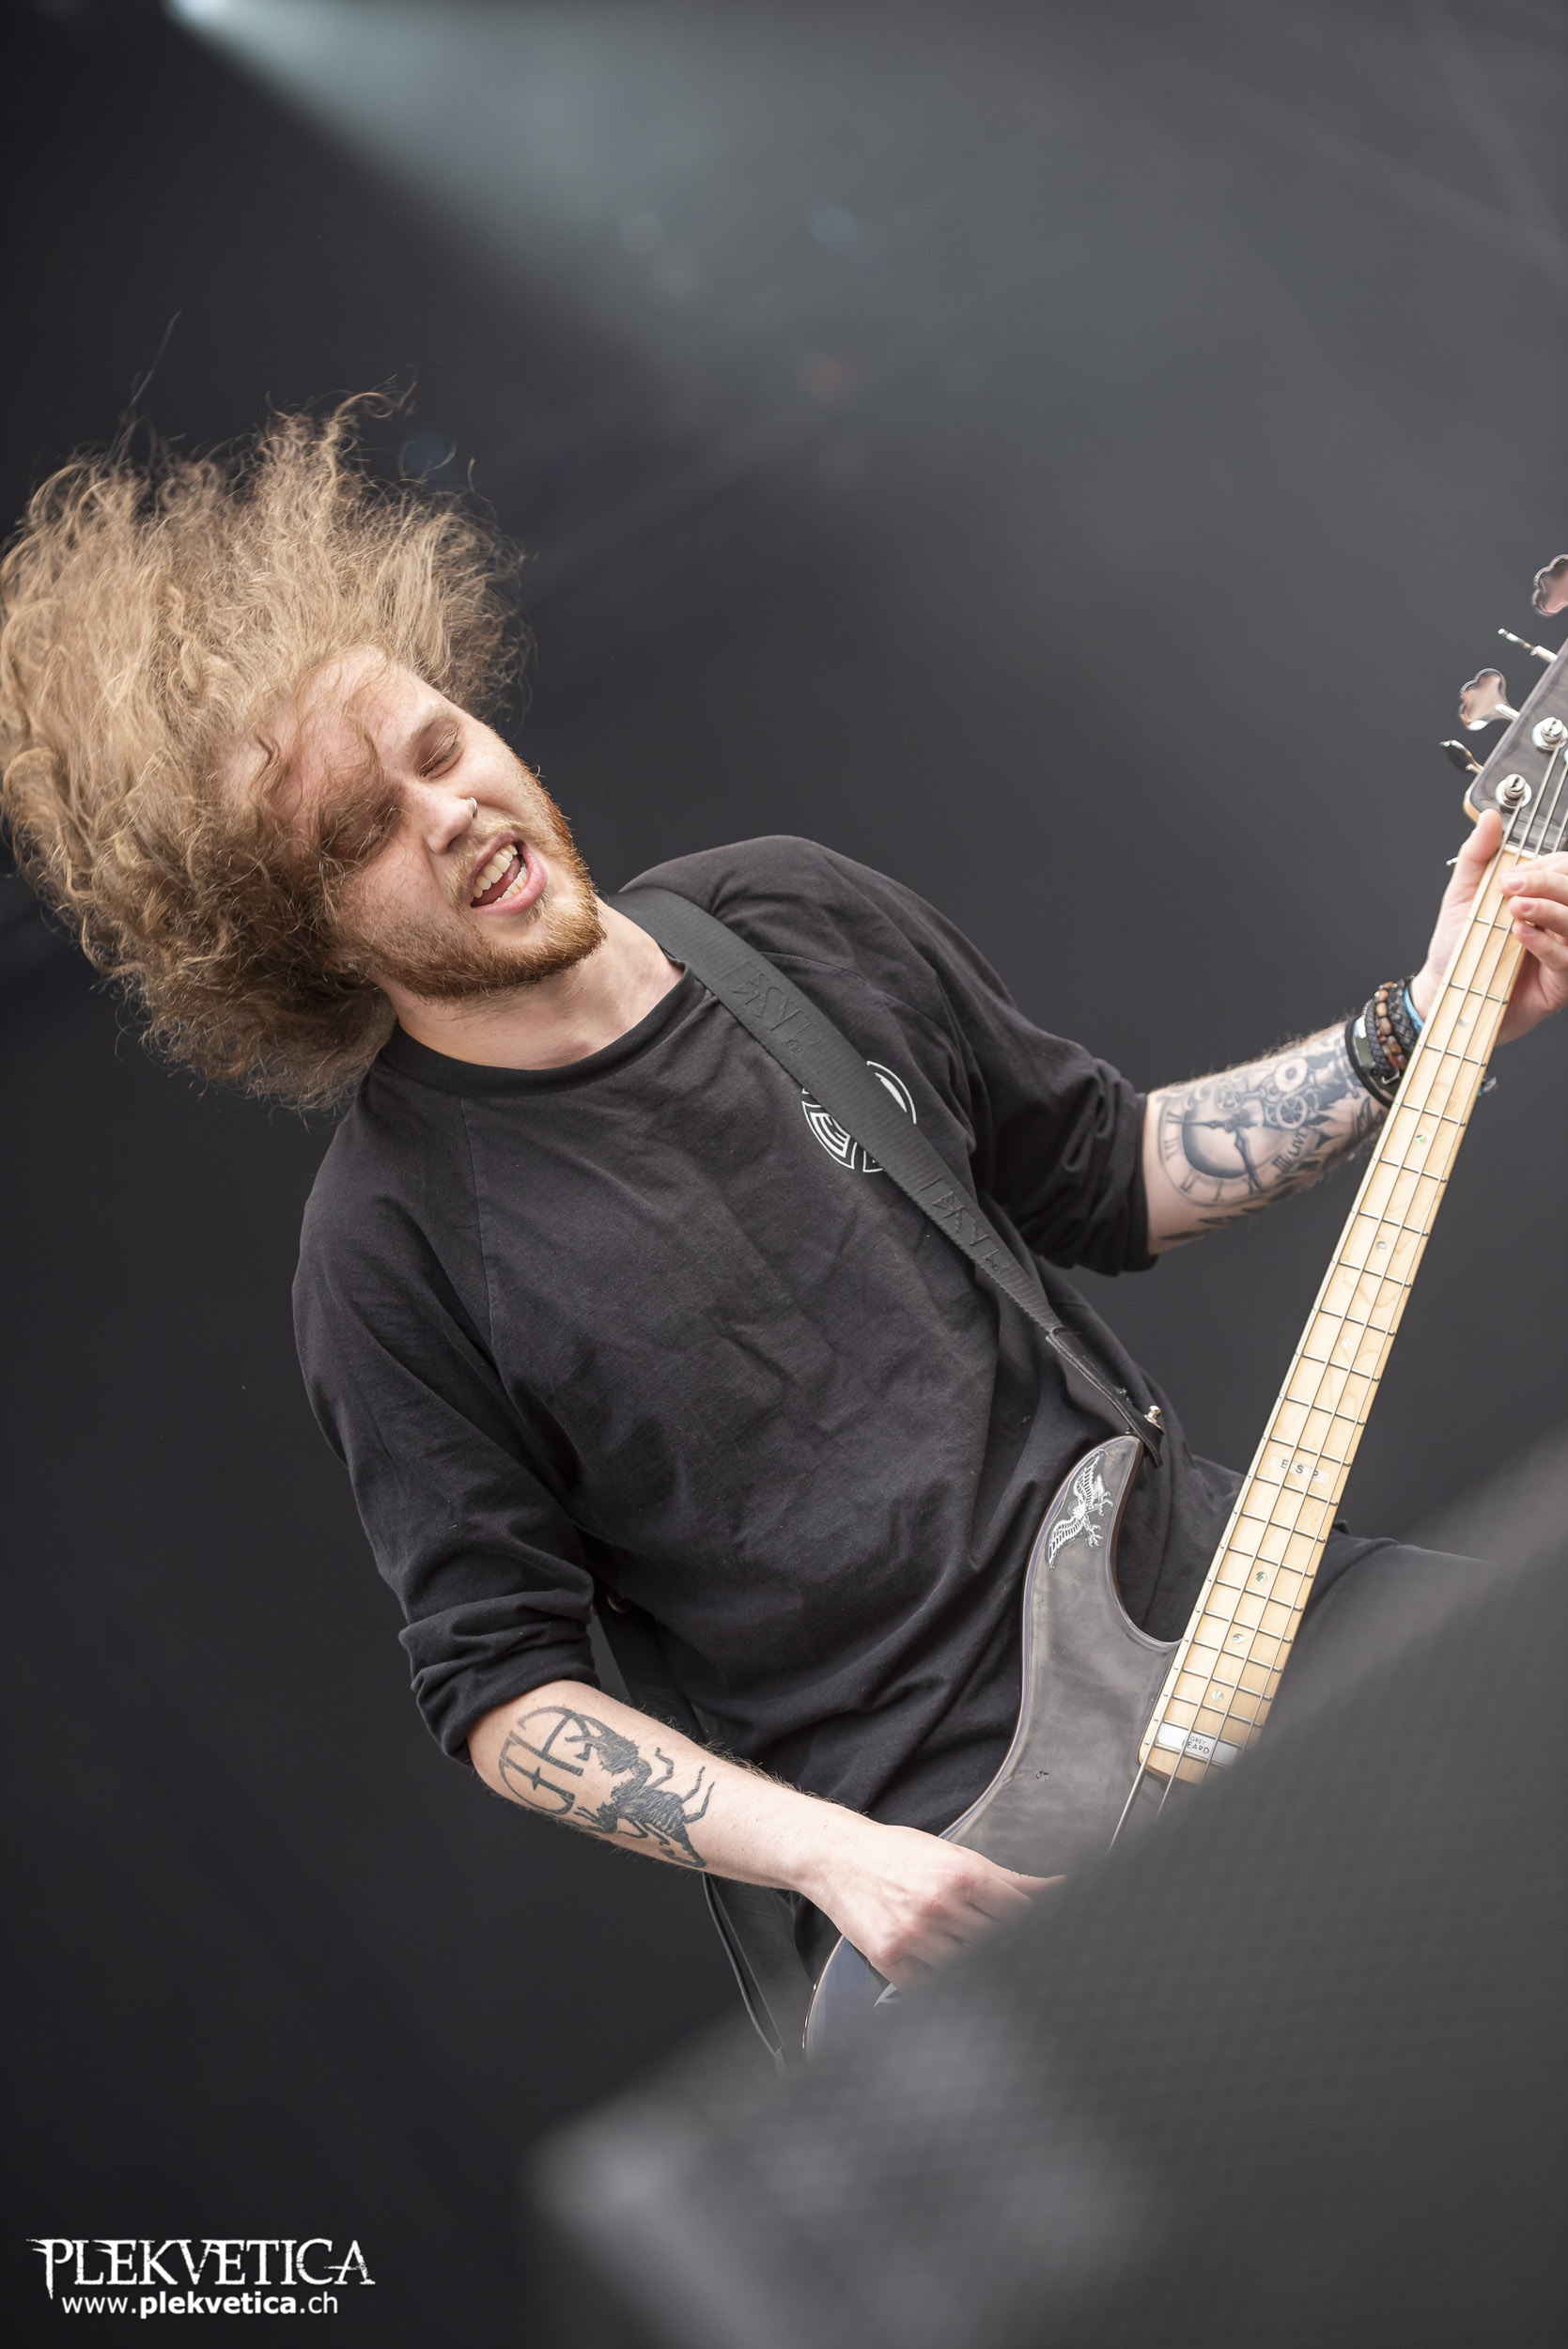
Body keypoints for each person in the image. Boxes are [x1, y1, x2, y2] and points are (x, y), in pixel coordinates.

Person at [4, 406, 1564, 2006]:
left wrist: (1412, 1025)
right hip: (947, 1846)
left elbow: (1104, 1174)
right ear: (306, 935)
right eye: (364, 832)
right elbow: (502, 1684)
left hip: (1220, 1601)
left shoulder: (783, 914)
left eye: (439, 747)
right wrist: (840, 1862)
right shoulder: (382, 1248)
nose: (448, 811)